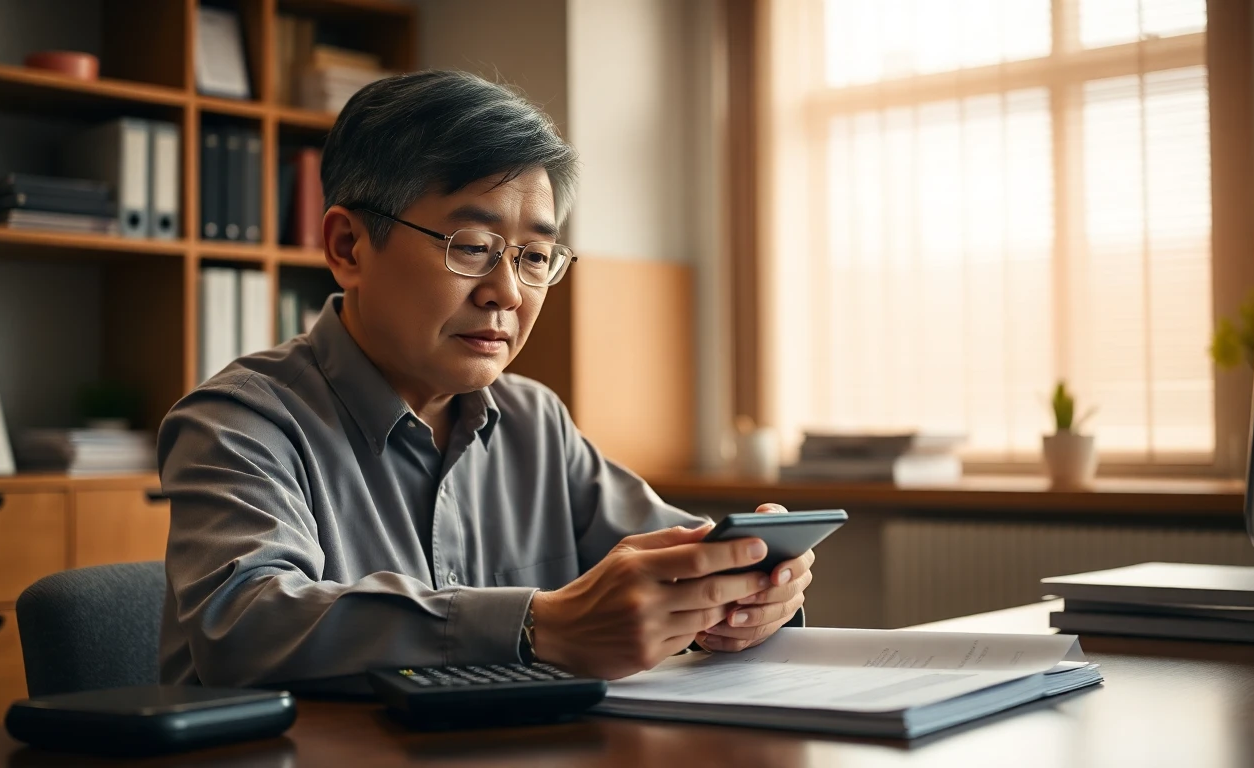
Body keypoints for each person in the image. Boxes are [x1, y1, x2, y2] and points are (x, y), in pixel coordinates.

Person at [158, 70, 815, 690]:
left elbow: (670, 564)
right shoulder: (238, 423)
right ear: (348, 248)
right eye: (472, 247)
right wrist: (537, 624)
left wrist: (747, 595)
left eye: (534, 257)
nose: (506, 292)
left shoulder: (535, 421)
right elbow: (244, 627)